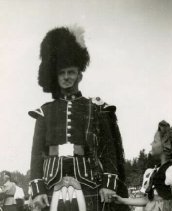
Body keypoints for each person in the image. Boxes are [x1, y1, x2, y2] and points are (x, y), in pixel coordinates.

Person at [28, 26, 128, 211]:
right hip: (51, 181)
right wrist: (37, 189)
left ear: (80, 74)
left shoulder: (97, 108)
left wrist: (108, 183)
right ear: (54, 76)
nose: (66, 77)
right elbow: (36, 155)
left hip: (89, 180)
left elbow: (109, 150)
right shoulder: (44, 112)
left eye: (71, 72)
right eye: (61, 73)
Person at [114, 120, 172, 211]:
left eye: (155, 141)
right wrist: (123, 200)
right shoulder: (155, 171)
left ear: (166, 145)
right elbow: (148, 200)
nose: (151, 144)